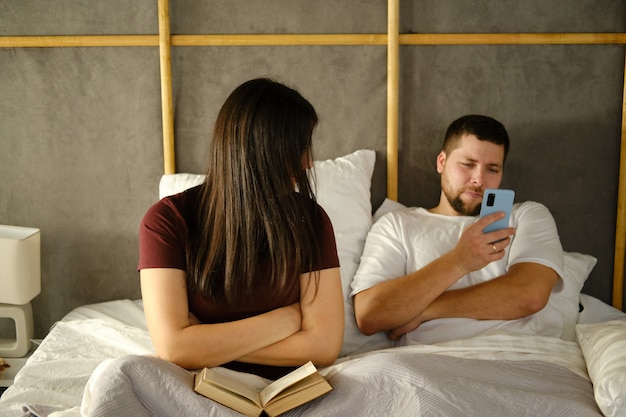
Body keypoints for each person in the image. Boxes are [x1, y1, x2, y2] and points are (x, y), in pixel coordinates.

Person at [138, 78, 344, 380]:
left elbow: (324, 346)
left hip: (287, 389)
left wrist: (201, 340)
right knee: (117, 376)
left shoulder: (311, 219)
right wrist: (283, 321)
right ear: (264, 152)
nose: (309, 164)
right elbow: (173, 348)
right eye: (299, 150)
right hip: (198, 386)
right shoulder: (167, 221)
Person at [351, 114, 565, 345]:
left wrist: (425, 310)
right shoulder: (396, 224)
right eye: (468, 164)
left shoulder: (526, 216)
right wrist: (459, 261)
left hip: (516, 355)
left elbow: (529, 295)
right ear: (442, 162)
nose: (479, 179)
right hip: (425, 363)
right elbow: (369, 316)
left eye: (492, 169)